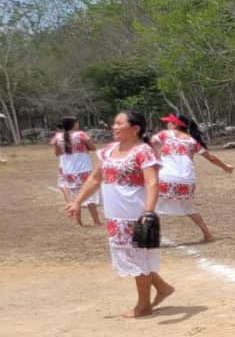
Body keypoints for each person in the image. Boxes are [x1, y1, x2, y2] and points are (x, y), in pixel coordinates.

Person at [66, 111, 175, 319]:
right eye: (113, 123)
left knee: (138, 257)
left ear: (135, 129)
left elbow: (152, 182)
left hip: (136, 213)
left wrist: (149, 211)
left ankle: (144, 306)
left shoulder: (144, 152)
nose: (114, 127)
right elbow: (95, 179)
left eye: (119, 123)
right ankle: (163, 288)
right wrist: (77, 202)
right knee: (130, 256)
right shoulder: (108, 151)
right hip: (115, 215)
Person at [153, 113, 233, 242]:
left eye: (169, 122)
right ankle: (208, 234)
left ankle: (149, 237)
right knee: (188, 208)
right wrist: (225, 167)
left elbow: (148, 144)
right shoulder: (192, 141)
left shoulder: (165, 135)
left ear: (175, 125)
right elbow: (211, 157)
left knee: (150, 205)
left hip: (166, 178)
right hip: (186, 182)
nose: (167, 124)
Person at [52, 117, 101, 226]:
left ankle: (79, 222)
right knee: (90, 196)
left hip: (68, 171)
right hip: (83, 169)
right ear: (74, 124)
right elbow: (93, 147)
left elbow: (57, 153)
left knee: (75, 198)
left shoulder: (57, 137)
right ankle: (96, 221)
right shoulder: (81, 135)